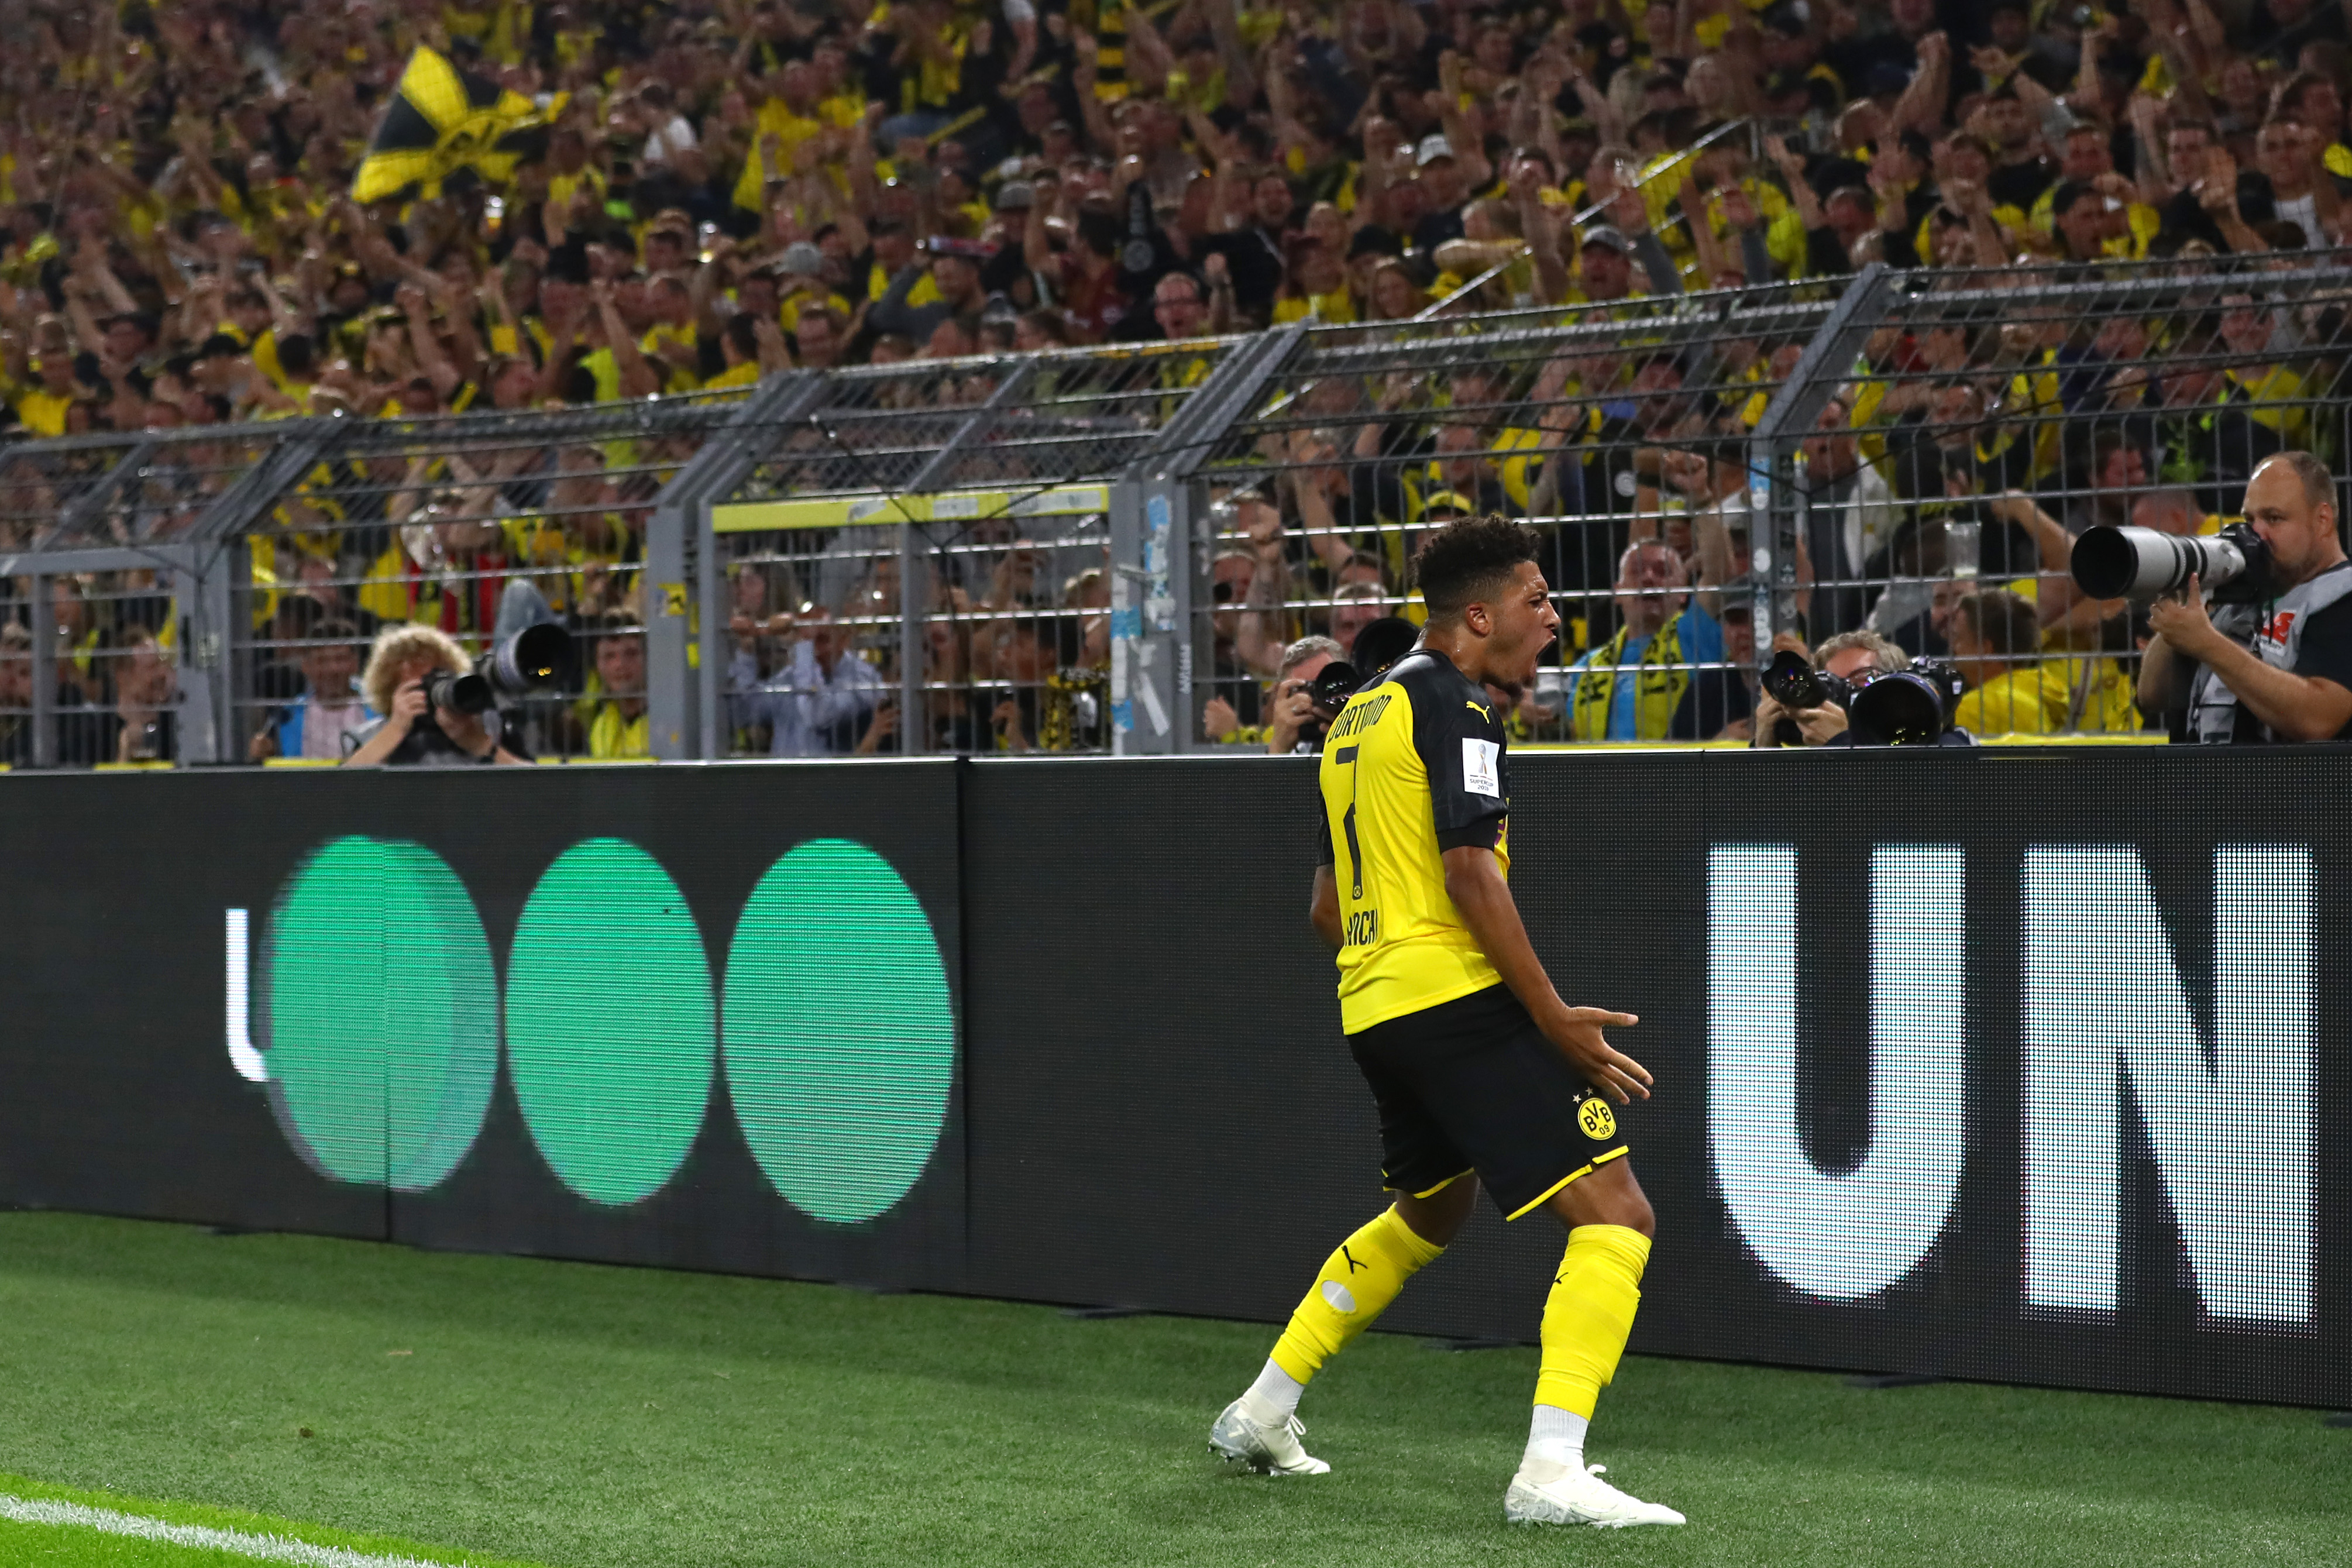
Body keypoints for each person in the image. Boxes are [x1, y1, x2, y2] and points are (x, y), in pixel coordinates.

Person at [1210, 515, 1680, 1530]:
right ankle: (1552, 1471)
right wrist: (1550, 1015)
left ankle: (1261, 1410)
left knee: (1431, 1213)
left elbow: (1327, 910)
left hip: (1373, 1005)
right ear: (1481, 613)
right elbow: (1471, 872)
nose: (1554, 620)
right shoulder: (1457, 710)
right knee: (1618, 1215)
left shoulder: (1355, 720)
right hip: (1449, 995)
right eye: (1538, 600)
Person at [2141, 451, 2352, 742]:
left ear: (2322, 520)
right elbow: (2153, 694)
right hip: (2201, 785)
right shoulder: (2236, 595)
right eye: (2249, 519)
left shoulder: (2342, 595)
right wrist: (2187, 605)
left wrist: (2207, 643)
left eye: (2274, 518)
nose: (2256, 533)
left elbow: (2318, 719)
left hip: (2286, 786)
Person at [344, 624, 531, 767]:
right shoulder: (370, 736)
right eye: (418, 685)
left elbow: (541, 784)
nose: (429, 692)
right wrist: (396, 730)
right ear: (391, 690)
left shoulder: (489, 726)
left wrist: (482, 746)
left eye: (437, 677)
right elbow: (335, 791)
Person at [1750, 630, 1910, 747]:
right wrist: (1763, 749)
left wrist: (1840, 743)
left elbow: (1888, 790)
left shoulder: (1918, 738)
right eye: (1832, 686)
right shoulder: (1811, 741)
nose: (1844, 693)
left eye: (1862, 680)